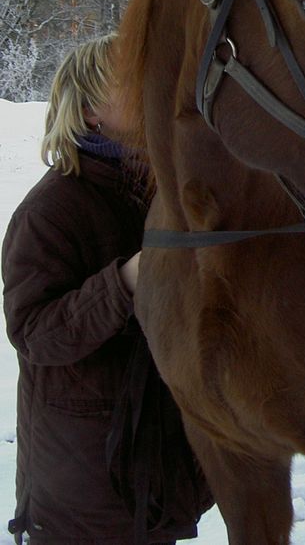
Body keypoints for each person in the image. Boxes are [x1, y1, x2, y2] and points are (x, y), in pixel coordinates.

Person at [2, 35, 205, 544]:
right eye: (129, 80)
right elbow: (34, 335)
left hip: (158, 470)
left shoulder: (166, 190)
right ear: (91, 110)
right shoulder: (49, 211)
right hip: (82, 490)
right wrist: (125, 282)